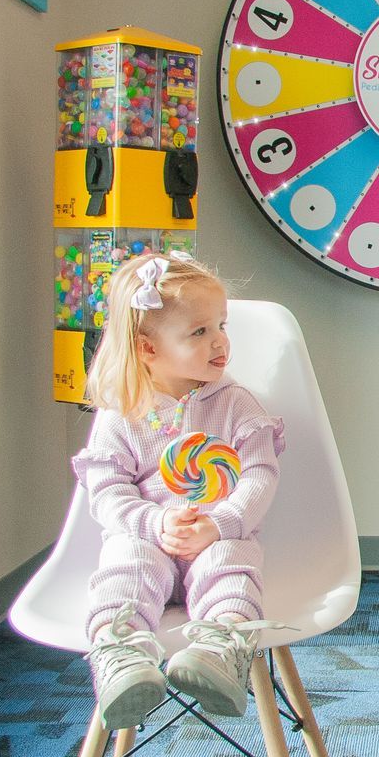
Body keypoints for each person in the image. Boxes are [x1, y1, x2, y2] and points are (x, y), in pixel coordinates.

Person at [72, 252, 284, 730]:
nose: (220, 342)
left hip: (214, 534)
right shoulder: (124, 412)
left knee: (232, 561)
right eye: (199, 332)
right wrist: (153, 522)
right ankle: (122, 654)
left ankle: (220, 649)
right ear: (148, 349)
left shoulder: (235, 404)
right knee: (125, 562)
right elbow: (106, 489)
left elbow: (259, 475)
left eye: (221, 326)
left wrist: (220, 523)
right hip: (151, 539)